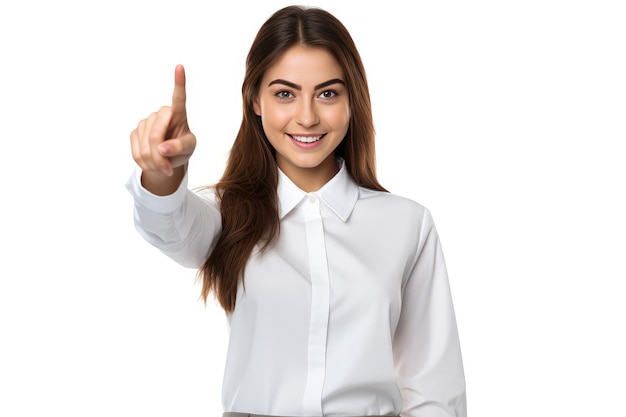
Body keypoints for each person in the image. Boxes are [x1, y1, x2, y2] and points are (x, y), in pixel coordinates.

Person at [127, 5, 466, 417]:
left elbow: (435, 389)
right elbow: (171, 226)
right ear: (255, 100)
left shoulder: (407, 224)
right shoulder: (226, 214)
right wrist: (164, 170)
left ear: (351, 100)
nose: (307, 117)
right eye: (285, 93)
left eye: (328, 93)